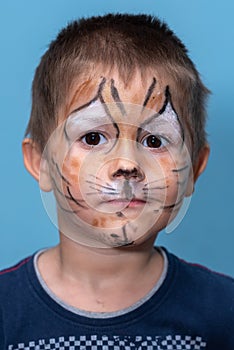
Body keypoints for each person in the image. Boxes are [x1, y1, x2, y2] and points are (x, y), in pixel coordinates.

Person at [0, 13, 233, 350]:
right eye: (93, 138)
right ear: (41, 163)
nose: (126, 165)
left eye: (155, 141)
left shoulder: (223, 312)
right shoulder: (7, 313)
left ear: (194, 169)